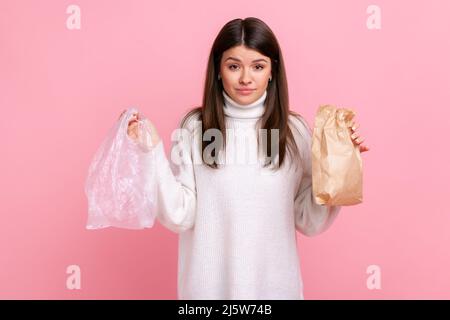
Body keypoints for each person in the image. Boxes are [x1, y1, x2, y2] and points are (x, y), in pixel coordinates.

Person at [122, 17, 369, 300]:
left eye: (258, 66)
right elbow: (180, 214)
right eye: (234, 66)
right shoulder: (195, 127)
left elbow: (308, 220)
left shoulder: (294, 131)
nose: (245, 78)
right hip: (208, 295)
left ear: (272, 71)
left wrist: (339, 165)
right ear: (218, 70)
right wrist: (151, 151)